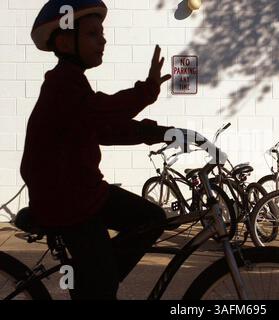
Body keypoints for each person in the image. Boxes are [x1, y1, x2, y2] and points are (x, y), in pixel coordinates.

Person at [20, 0, 173, 299]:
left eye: (101, 33)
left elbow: (102, 128)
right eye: (92, 33)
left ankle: (91, 282)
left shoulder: (74, 82)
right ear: (64, 40)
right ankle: (93, 284)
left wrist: (154, 132)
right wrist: (147, 91)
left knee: (150, 219)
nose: (102, 40)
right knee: (103, 281)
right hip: (67, 202)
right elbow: (100, 112)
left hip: (83, 193)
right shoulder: (61, 84)